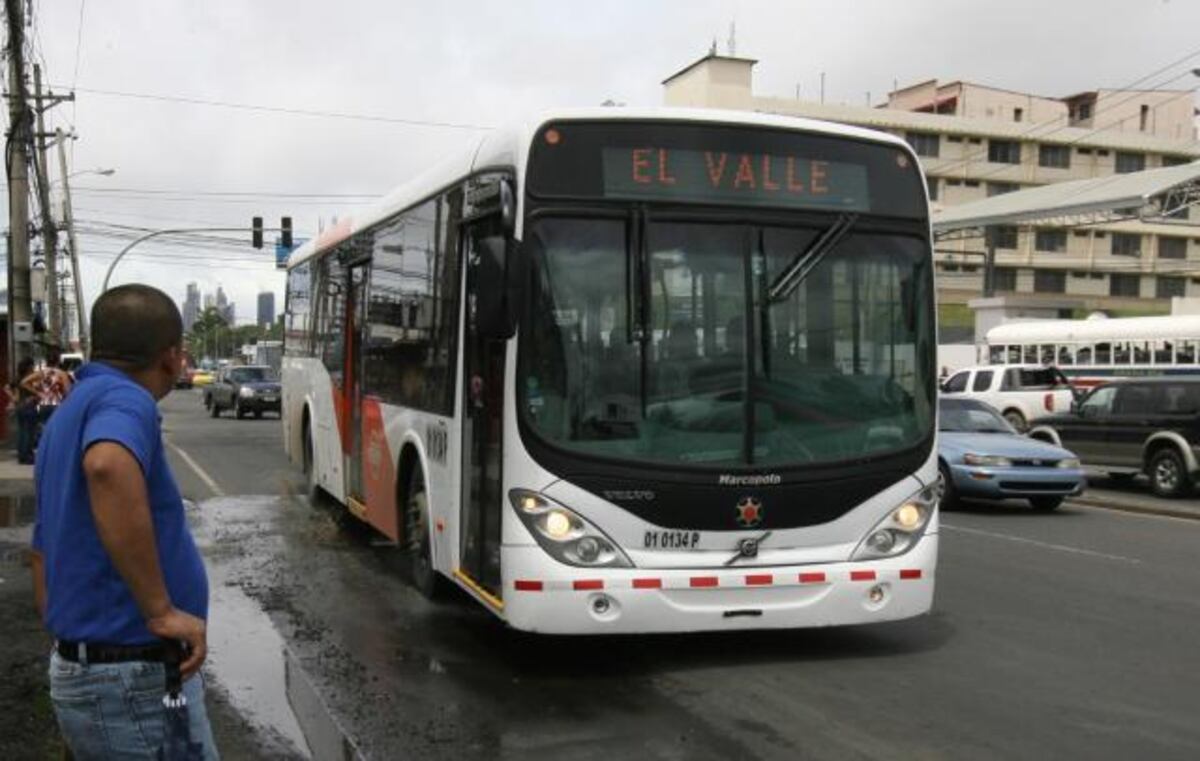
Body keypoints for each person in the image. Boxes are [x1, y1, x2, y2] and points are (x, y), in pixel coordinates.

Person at [30, 284, 218, 759]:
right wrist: (160, 611)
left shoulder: (70, 411)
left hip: (103, 669)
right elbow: (107, 467)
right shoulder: (126, 400)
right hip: (130, 677)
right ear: (172, 357)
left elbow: (43, 545)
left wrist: (71, 640)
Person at [13, 357, 38, 464]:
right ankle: (27, 456)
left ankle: (22, 455)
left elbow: (9, 388)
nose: (34, 367)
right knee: (29, 432)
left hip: (20, 406)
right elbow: (35, 391)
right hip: (28, 406)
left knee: (22, 431)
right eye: (32, 365)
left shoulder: (18, 378)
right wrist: (36, 394)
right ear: (29, 366)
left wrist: (14, 399)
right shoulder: (30, 378)